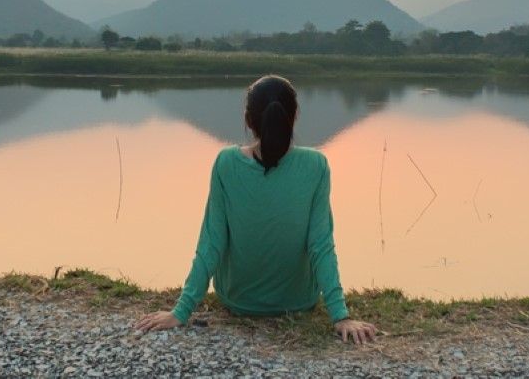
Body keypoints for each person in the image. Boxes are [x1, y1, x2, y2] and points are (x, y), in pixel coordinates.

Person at [134, 75, 378, 344]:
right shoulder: (316, 165)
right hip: (299, 301)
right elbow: (320, 244)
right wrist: (340, 316)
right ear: (294, 116)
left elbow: (212, 242)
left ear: (249, 121)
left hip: (237, 300)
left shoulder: (226, 163)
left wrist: (181, 311)